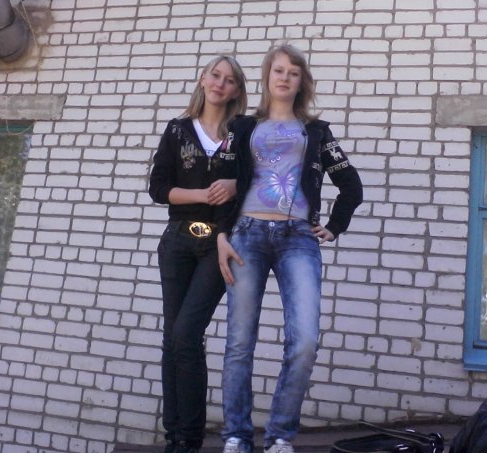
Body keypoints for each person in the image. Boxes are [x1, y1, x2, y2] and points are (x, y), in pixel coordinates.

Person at [217, 44, 363, 453]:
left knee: (304, 342)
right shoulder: (241, 128)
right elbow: (223, 184)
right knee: (239, 342)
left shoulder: (316, 132)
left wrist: (334, 226)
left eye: (293, 72)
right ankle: (236, 436)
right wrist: (221, 234)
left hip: (298, 239)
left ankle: (280, 436)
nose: (284, 77)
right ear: (267, 77)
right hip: (247, 235)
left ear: (302, 82)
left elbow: (351, 185)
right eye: (278, 70)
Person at [149, 55, 247, 453]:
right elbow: (159, 188)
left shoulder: (242, 133)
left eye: (229, 80)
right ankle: (173, 435)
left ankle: (189, 437)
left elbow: (257, 180)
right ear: (203, 79)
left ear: (237, 90)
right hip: (177, 240)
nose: (220, 83)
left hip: (218, 242)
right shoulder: (177, 129)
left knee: (187, 335)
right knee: (173, 339)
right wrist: (204, 194)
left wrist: (235, 185)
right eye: (215, 75)